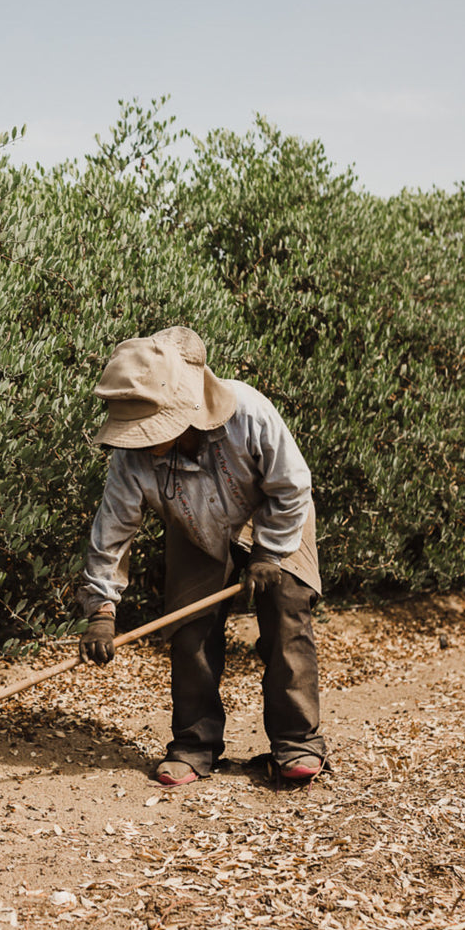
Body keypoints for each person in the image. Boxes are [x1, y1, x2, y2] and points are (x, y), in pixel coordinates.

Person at [73, 326, 326, 786]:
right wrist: (102, 611)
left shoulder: (248, 410)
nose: (140, 439)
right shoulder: (131, 460)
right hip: (195, 530)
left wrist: (268, 553)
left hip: (275, 519)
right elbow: (112, 533)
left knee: (287, 615)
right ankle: (194, 745)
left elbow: (291, 486)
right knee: (189, 631)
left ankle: (296, 743)